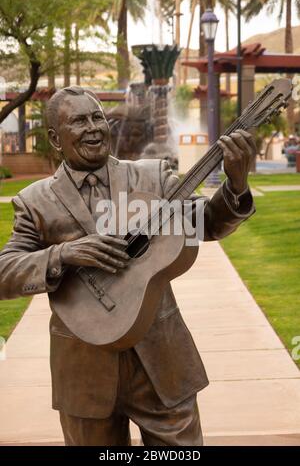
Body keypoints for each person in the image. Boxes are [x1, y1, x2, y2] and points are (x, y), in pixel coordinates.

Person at [0, 86, 256, 446]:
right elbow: (5, 272)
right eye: (78, 121)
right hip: (83, 367)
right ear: (55, 139)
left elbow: (207, 223)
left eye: (97, 117)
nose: (93, 128)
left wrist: (236, 186)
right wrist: (64, 254)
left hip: (161, 363)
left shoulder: (153, 177)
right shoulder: (34, 201)